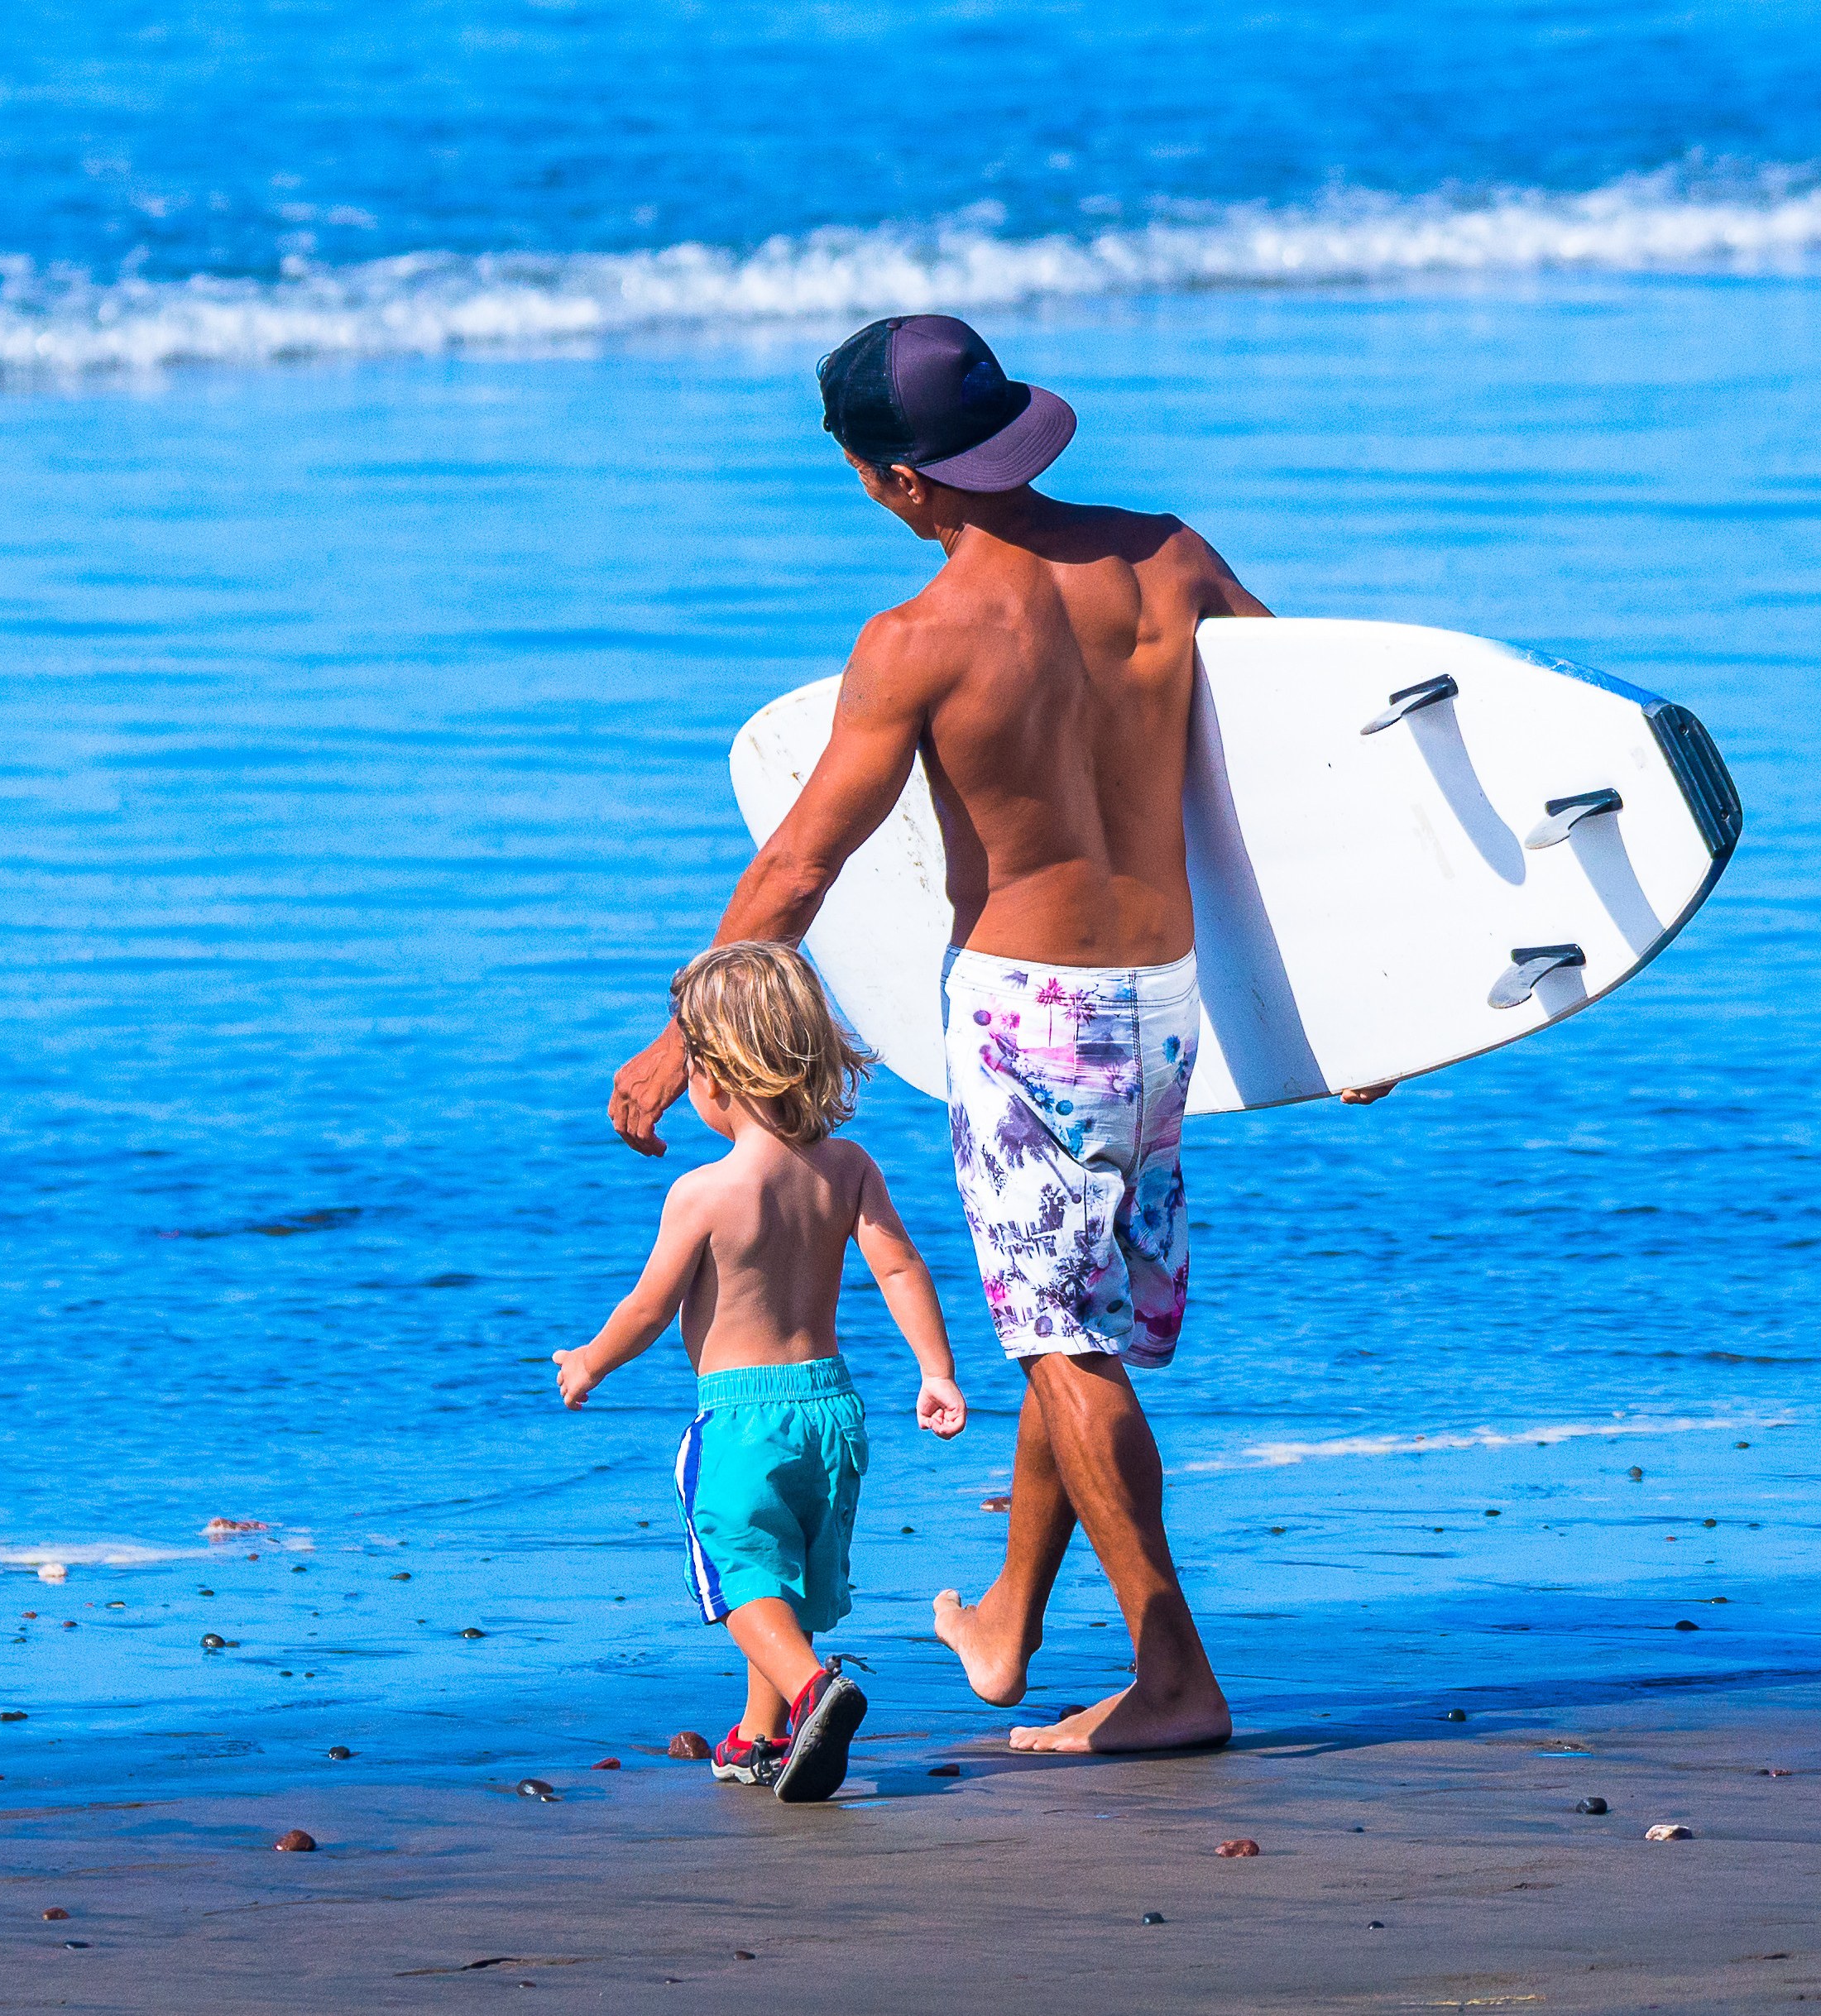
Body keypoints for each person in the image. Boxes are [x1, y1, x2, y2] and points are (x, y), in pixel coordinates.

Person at [609, 314, 1375, 1755]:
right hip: (1162, 1004)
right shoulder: (1171, 556)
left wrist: (682, 1036)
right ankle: (1010, 1618)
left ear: (899, 482)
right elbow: (1303, 773)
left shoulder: (917, 641)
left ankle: (1170, 1677)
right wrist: (1354, 1008)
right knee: (1073, 1321)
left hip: (1027, 1017)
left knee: (1058, 1347)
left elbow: (795, 870)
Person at [558, 940, 967, 1803]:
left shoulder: (705, 1192)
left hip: (742, 1420)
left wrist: (589, 1360)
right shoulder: (847, 1167)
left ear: (710, 1072)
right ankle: (762, 1734)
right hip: (832, 1411)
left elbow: (647, 1308)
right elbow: (899, 1267)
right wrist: (935, 1370)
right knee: (795, 1576)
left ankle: (817, 1690)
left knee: (742, 1576)